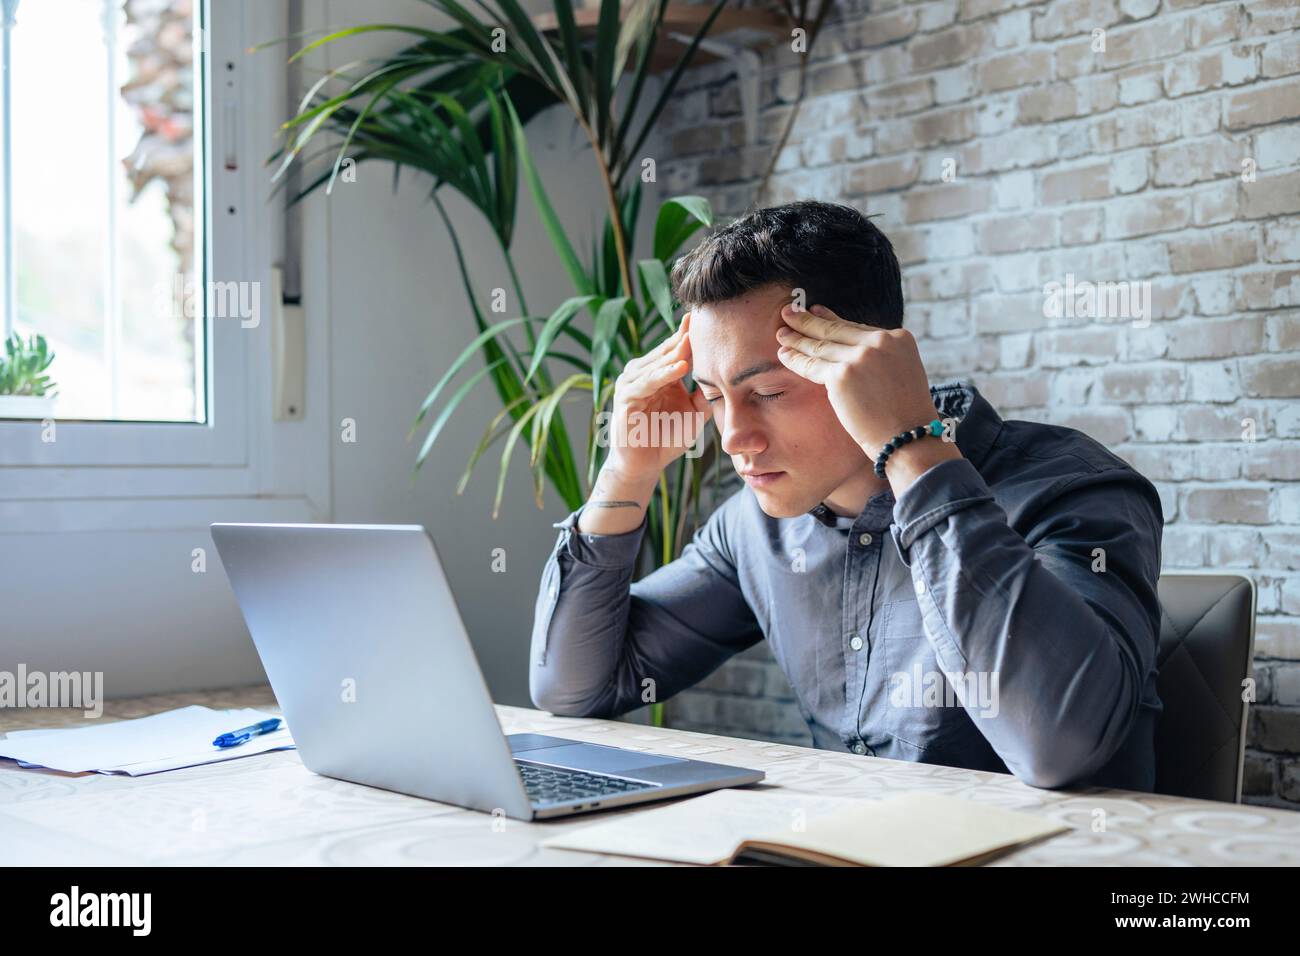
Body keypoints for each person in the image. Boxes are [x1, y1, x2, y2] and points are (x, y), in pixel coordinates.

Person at [529, 199, 1164, 791]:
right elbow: (575, 689)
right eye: (715, 396)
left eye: (769, 393)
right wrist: (626, 472)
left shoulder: (1070, 487)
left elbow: (1059, 748)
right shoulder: (755, 528)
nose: (733, 438)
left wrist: (912, 449)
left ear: (863, 358)